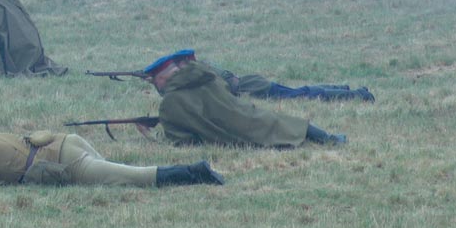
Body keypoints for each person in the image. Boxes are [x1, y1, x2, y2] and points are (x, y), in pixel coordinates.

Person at [0, 123, 225, 191]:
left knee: (133, 177)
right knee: (121, 170)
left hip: (66, 162)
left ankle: (196, 171)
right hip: (69, 141)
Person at [144, 52, 347, 148]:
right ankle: (331, 138)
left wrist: (150, 135)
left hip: (234, 135)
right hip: (248, 113)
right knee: (290, 123)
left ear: (161, 78)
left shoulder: (170, 103)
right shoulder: (207, 77)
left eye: (156, 81)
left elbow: (183, 141)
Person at [147, 49, 374, 102]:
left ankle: (357, 95)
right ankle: (342, 89)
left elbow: (223, 89)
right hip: (253, 84)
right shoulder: (202, 69)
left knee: (302, 94)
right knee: (301, 91)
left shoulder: (203, 73)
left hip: (254, 88)